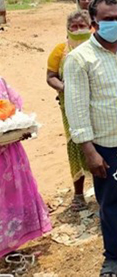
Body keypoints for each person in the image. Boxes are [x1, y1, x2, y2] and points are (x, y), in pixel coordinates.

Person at [64, 0, 117, 277]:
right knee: (110, 203)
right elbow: (76, 107)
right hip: (107, 147)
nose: (115, 23)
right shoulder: (79, 59)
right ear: (93, 23)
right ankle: (113, 255)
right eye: (108, 19)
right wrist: (89, 151)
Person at [46, 9, 93, 210]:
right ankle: (79, 194)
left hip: (97, 105)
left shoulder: (97, 47)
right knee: (75, 145)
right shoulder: (60, 50)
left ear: (90, 27)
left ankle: (108, 188)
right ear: (67, 30)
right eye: (74, 27)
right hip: (70, 107)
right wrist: (66, 87)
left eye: (82, 26)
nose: (78, 29)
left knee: (101, 145)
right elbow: (50, 76)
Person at [0, 77, 52, 258]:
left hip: (9, 154)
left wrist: (19, 127)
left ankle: (9, 246)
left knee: (10, 198)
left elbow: (15, 106)